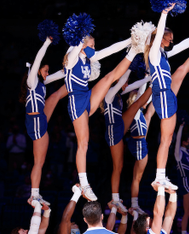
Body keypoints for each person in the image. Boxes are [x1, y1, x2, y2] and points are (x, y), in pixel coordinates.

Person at [63, 32, 136, 201]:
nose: (94, 48)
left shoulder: (88, 58)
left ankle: (133, 52)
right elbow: (75, 48)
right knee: (84, 142)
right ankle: (83, 183)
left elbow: (110, 50)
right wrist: (79, 40)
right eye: (92, 45)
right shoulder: (72, 58)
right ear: (82, 45)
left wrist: (131, 41)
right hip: (76, 102)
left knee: (110, 77)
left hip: (86, 96)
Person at [144, 4, 189, 191]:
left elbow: (181, 47)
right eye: (169, 38)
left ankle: (160, 176)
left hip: (166, 95)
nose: (171, 41)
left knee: (168, 137)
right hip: (163, 95)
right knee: (166, 138)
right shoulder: (155, 53)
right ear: (160, 37)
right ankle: (159, 176)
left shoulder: (162, 54)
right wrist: (164, 13)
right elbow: (158, 39)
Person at [19, 36, 68, 205]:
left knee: (59, 92)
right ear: (38, 70)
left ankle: (35, 194)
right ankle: (34, 195)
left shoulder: (42, 83)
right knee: (39, 161)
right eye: (45, 70)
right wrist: (47, 42)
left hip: (38, 118)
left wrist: (72, 63)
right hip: (36, 120)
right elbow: (38, 58)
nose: (47, 73)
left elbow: (61, 74)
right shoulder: (32, 81)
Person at [103, 73, 152, 212]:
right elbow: (122, 84)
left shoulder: (119, 93)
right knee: (117, 166)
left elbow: (134, 87)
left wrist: (148, 78)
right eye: (124, 82)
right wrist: (127, 71)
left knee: (137, 105)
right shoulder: (110, 94)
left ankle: (118, 199)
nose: (126, 85)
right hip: (113, 129)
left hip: (119, 125)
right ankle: (115, 199)